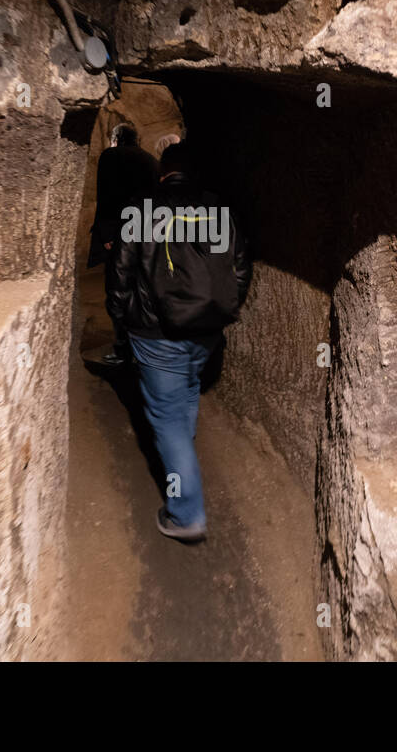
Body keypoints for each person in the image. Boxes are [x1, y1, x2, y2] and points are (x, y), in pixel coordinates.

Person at [106, 143, 251, 542]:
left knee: (167, 418)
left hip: (157, 334)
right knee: (186, 394)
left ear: (163, 172)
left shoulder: (140, 208)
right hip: (205, 332)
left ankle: (186, 513)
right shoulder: (218, 210)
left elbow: (120, 272)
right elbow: (240, 270)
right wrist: (220, 312)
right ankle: (181, 456)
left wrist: (121, 319)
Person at [88, 123, 157, 365]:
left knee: (117, 293)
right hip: (144, 234)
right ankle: (141, 349)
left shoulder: (110, 157)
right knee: (140, 292)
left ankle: (123, 349)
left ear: (116, 138)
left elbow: (106, 196)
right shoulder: (150, 160)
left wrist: (107, 235)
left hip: (118, 234)